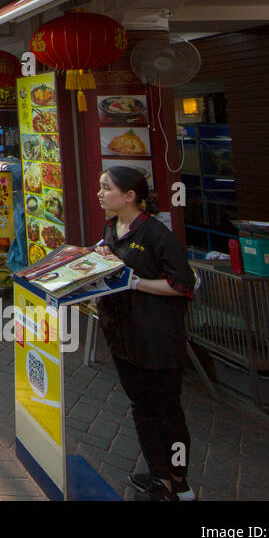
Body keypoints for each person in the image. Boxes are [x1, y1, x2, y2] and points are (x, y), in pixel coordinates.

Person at [94, 165, 196, 502]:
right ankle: (159, 476)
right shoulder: (112, 228)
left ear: (129, 196)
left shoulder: (156, 234)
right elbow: (114, 265)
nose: (99, 193)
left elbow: (182, 283)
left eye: (106, 188)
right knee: (141, 406)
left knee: (166, 410)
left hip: (157, 339)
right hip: (123, 337)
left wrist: (137, 283)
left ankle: (179, 481)